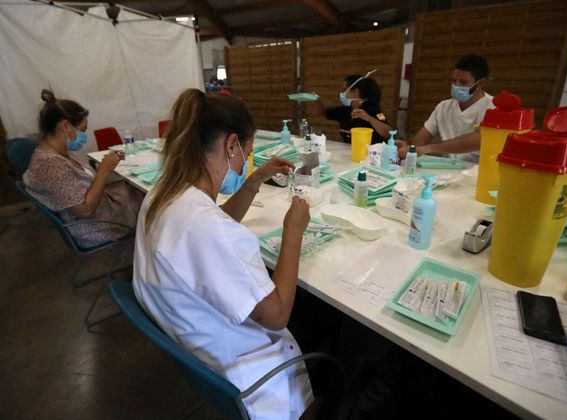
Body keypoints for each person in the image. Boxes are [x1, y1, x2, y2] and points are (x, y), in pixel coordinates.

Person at [133, 89, 315, 420]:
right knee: (319, 316)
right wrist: (293, 232)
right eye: (246, 153)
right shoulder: (208, 227)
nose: (247, 161)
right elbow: (276, 315)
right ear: (230, 146)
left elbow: (214, 227)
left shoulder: (164, 193)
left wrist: (254, 180)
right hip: (248, 375)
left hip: (199, 344)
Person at [23, 89, 143, 249]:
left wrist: (102, 168)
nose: (84, 136)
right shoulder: (50, 164)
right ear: (65, 126)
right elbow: (85, 210)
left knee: (140, 192)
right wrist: (103, 171)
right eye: (83, 130)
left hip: (103, 211)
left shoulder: (53, 154)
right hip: (97, 226)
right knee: (155, 202)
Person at [398, 54, 494, 163]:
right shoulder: (443, 107)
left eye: (463, 82)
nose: (456, 85)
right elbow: (421, 138)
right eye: (454, 81)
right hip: (448, 168)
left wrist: (428, 148)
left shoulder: (492, 107)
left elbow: (478, 140)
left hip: (474, 170)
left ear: (480, 83)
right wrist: (408, 146)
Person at [314, 73, 393, 144]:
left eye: (344, 90)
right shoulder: (344, 110)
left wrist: (369, 118)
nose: (342, 93)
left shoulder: (377, 112)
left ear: (356, 92)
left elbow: (389, 133)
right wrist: (316, 99)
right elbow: (324, 113)